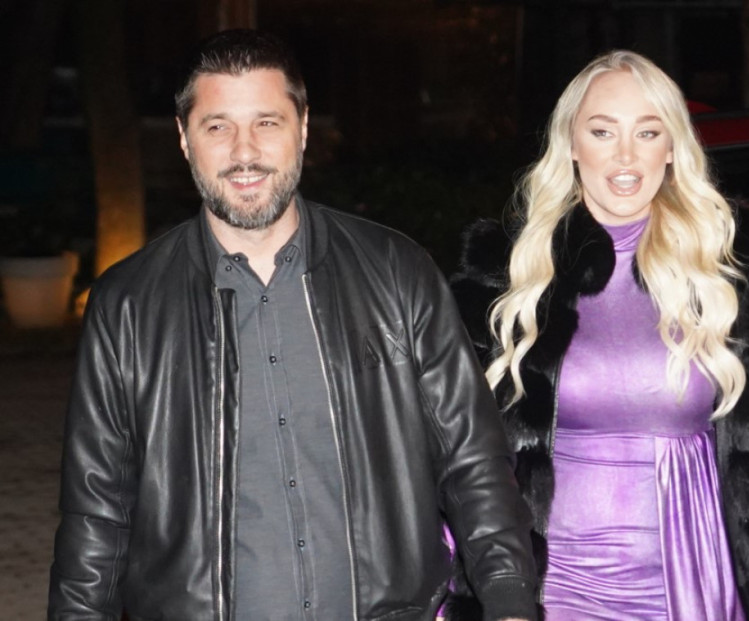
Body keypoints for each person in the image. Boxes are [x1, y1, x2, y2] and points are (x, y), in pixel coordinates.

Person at [48, 29, 536, 621]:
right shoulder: (126, 304)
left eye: (267, 122)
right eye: (217, 126)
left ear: (302, 128)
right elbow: (97, 512)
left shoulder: (396, 271)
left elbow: (472, 459)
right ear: (183, 138)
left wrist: (510, 599)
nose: (244, 150)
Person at [447, 51, 749, 621]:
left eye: (648, 132)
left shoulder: (728, 269)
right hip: (552, 591)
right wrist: (453, 596)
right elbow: (463, 454)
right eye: (602, 132)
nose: (626, 155)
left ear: (672, 146)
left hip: (692, 585)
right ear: (571, 144)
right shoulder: (510, 275)